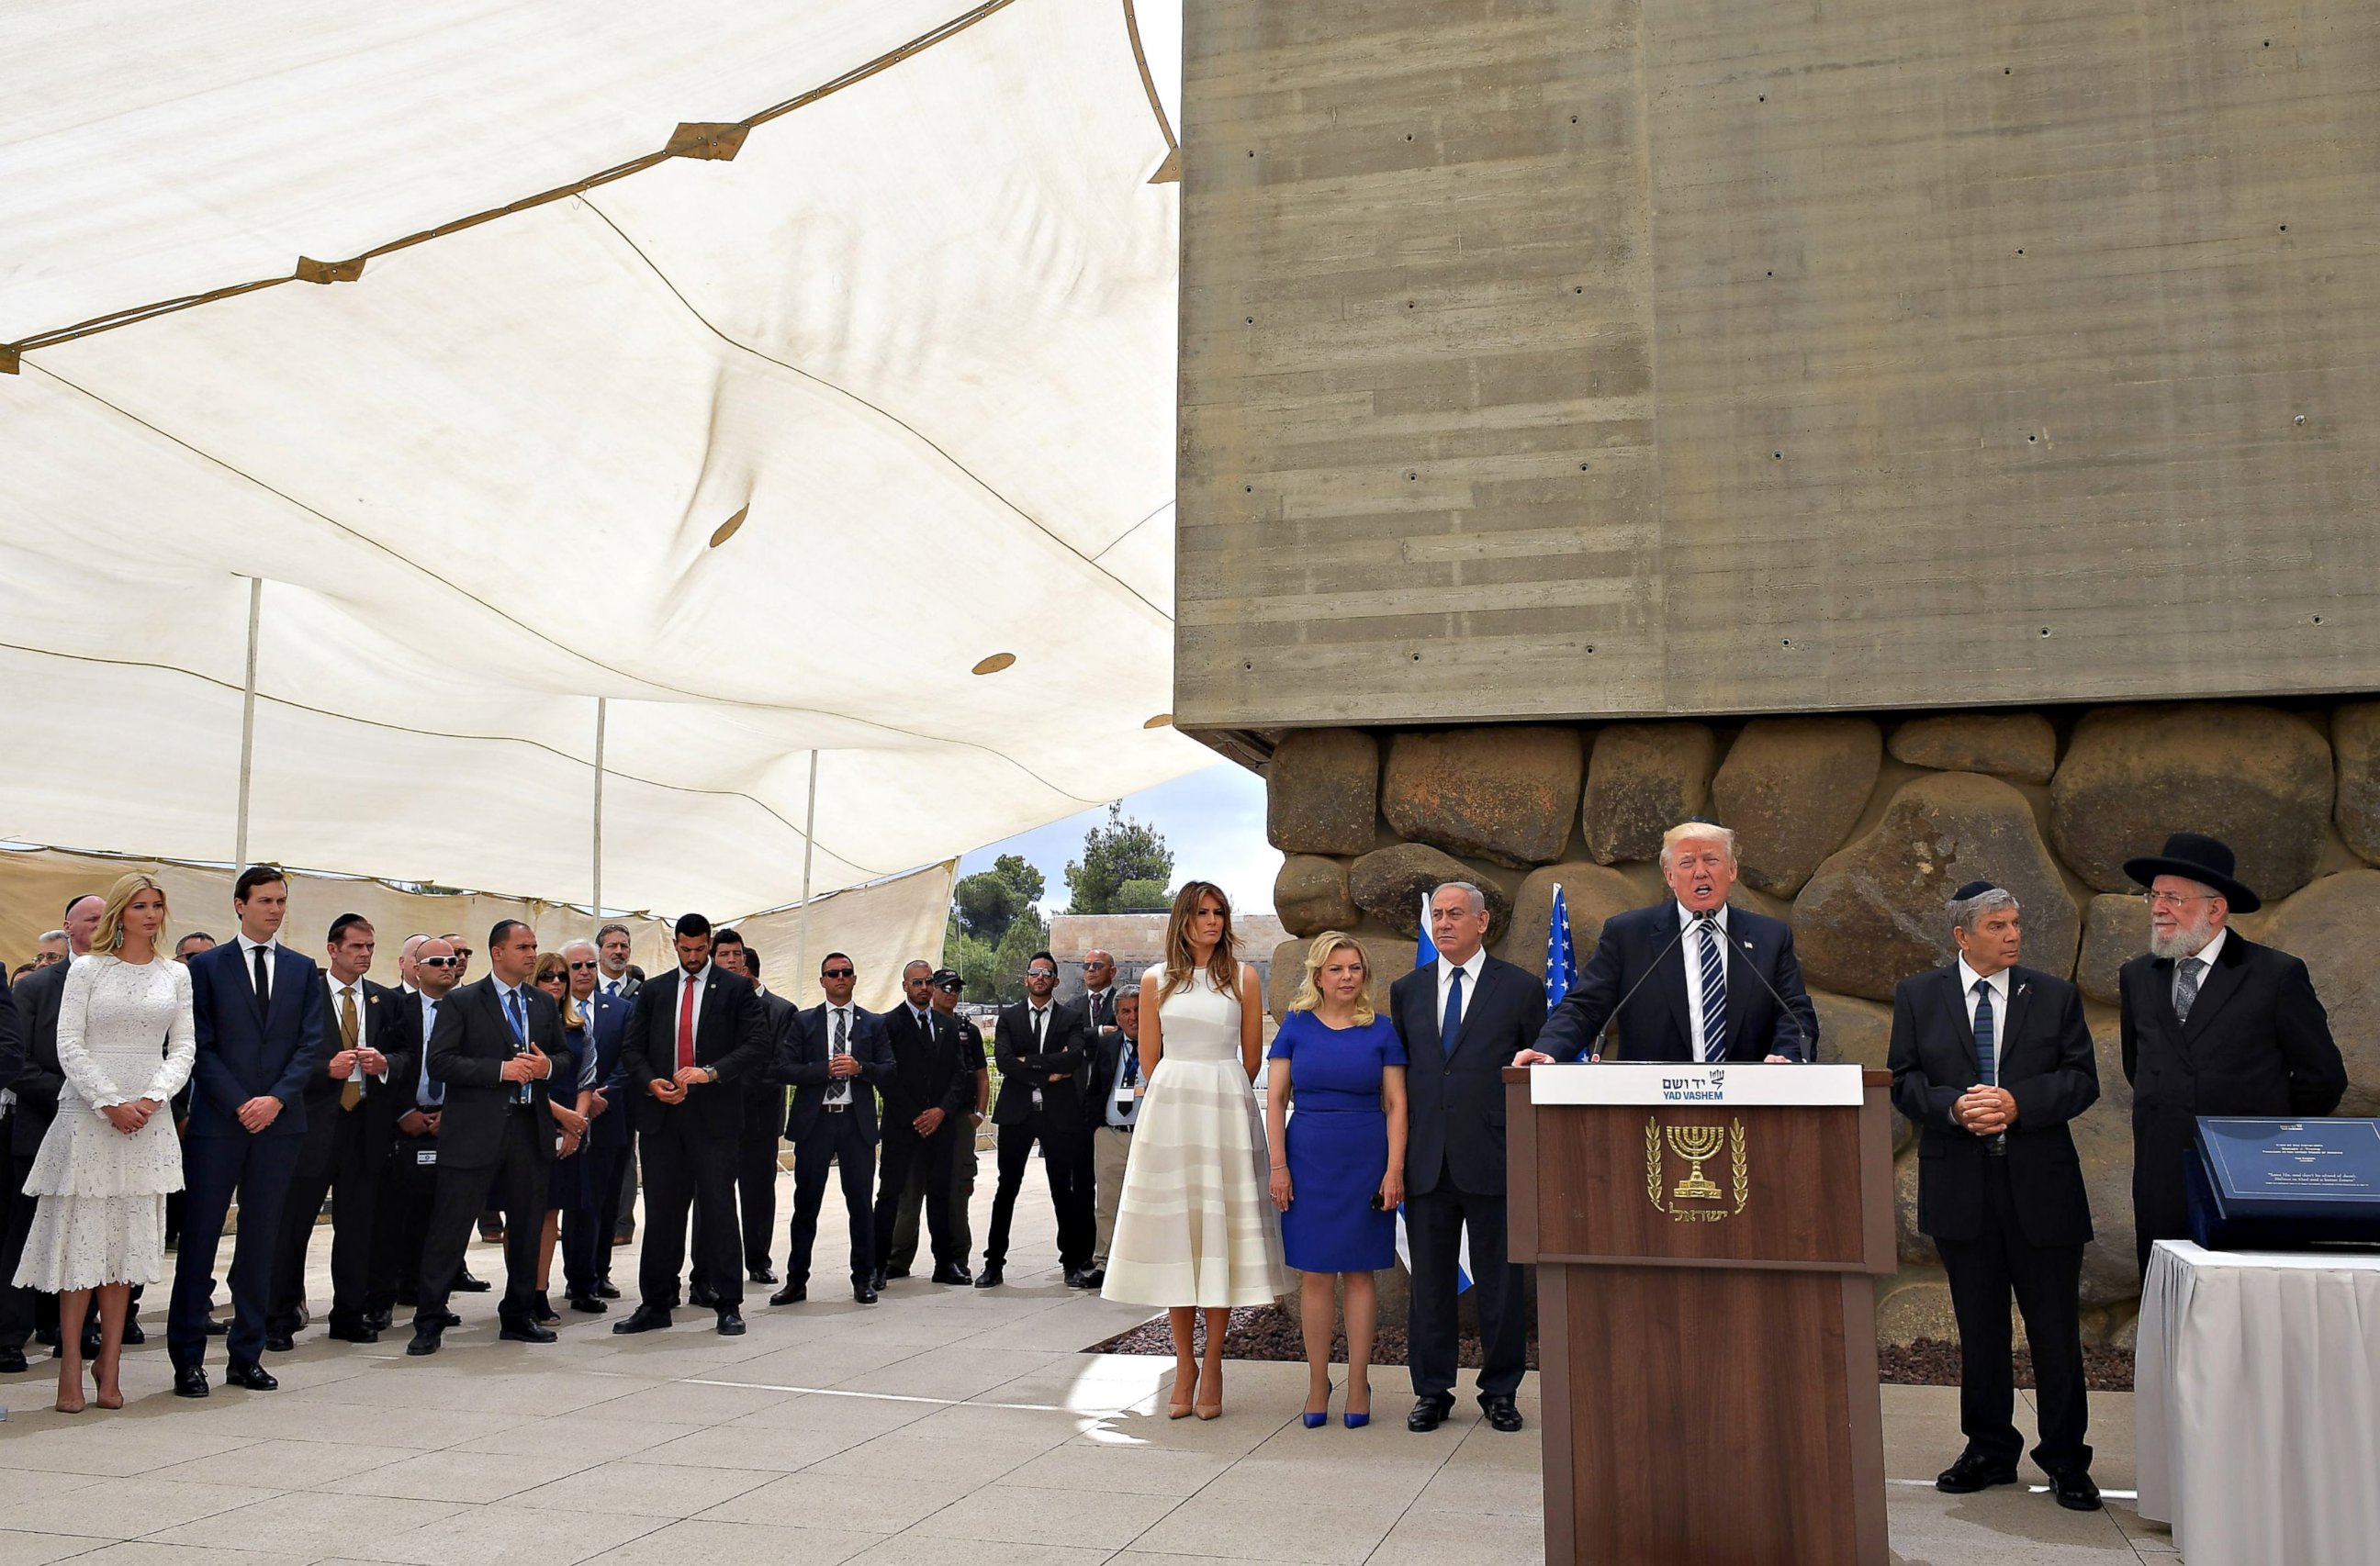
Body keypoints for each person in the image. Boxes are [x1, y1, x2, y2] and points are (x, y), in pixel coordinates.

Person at [1888, 882, 2103, 1511]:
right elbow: (1903, 1081)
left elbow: (2080, 1080)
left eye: (2015, 924)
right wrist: (1953, 1106)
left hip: (2043, 1190)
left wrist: (2018, 1103)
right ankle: (1987, 1450)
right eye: (1998, 926)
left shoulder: (2055, 996)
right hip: (1962, 1189)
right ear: (1962, 936)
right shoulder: (1918, 996)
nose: (2013, 935)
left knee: (2055, 1332)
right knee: (1980, 1331)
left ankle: (2066, 1460)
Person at [2118, 833, 2346, 1274]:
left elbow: (2324, 1079)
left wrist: (2264, 1127)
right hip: (2161, 1173)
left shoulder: (2275, 974)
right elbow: (2139, 1066)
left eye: (2172, 898)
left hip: (2250, 1175)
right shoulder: (2137, 976)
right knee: (2171, 1300)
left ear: (2215, 908)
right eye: (2154, 895)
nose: (2157, 908)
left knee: (2247, 1305)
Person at [11, 874, 196, 1412]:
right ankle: (70, 1363)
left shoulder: (176, 974)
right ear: (121, 911)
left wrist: (155, 1097)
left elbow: (183, 1046)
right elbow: (67, 1043)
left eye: (157, 906)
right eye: (139, 905)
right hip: (88, 1115)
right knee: (81, 1250)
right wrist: (108, 1100)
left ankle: (109, 1363)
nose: (150, 914)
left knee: (126, 1248)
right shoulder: (87, 969)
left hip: (148, 1117)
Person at [1102, 882, 1286, 1420]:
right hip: (1171, 1113)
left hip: (1225, 1109)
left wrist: (1218, 1092)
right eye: (1202, 912)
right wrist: (1180, 1100)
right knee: (1180, 1238)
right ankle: (1184, 1364)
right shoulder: (1157, 980)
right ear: (1183, 919)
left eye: (1219, 912)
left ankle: (1214, 1360)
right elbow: (1152, 1059)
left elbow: (1251, 1058)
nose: (1212, 921)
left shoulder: (1244, 978)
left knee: (1219, 1235)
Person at [169, 866, 327, 1397]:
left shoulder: (305, 970)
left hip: (280, 1125)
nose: (276, 909)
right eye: (265, 900)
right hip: (220, 1123)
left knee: (262, 1242)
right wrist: (242, 1103)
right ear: (240, 905)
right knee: (201, 1241)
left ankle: (247, 1354)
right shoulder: (207, 968)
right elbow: (198, 1047)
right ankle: (188, 1359)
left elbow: (311, 1045)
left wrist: (276, 1099)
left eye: (282, 900)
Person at [1395, 881, 1544, 1435]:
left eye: (1456, 914)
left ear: (1482, 923)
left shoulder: (1521, 988)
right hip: (1427, 1159)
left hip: (1495, 1157)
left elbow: (1534, 1071)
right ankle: (1431, 1391)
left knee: (1500, 1285)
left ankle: (1500, 1391)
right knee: (1429, 1286)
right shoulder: (1406, 990)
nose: (1444, 924)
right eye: (1437, 915)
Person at [1522, 822, 1817, 1066]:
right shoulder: (1629, 935)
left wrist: (1787, 1056)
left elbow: (1795, 1013)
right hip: (1652, 1108)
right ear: (1670, 876)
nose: (1700, 872)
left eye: (1711, 860)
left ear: (1732, 870)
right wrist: (1548, 1050)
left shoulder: (1770, 937)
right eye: (1687, 863)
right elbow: (1585, 1007)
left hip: (1747, 1107)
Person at [1267, 932, 1409, 1430]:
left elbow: (1396, 1104)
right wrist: (1278, 1166)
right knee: (1316, 1273)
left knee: (1360, 1273)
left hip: (1366, 1160)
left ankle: (1358, 1380)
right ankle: (1316, 1382)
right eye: (1336, 969)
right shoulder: (1295, 1027)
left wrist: (1394, 1169)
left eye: (1354, 968)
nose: (1347, 977)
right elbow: (1276, 1101)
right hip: (1308, 1159)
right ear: (1318, 976)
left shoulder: (1382, 1029)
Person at [405, 920, 561, 1355]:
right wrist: (499, 1070)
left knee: (528, 1226)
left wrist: (547, 1067)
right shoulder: (463, 1001)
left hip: (529, 1128)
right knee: (450, 1227)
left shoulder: (542, 1004)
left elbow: (567, 1056)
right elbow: (441, 1062)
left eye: (534, 946)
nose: (532, 954)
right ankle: (429, 1319)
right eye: (523, 947)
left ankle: (518, 1314)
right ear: (497, 953)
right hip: (475, 1130)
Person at [612, 912, 770, 1337]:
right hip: (663, 1120)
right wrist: (651, 1082)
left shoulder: (736, 989)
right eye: (686, 950)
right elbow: (632, 1049)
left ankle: (727, 1303)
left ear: (709, 945)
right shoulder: (655, 990)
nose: (694, 957)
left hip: (714, 1121)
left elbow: (757, 1045)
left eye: (701, 950)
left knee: (719, 1210)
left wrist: (711, 1072)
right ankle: (655, 1303)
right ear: (676, 946)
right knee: (662, 1213)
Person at [267, 914, 399, 1349]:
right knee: (294, 1224)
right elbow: (284, 1055)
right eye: (356, 947)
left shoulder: (383, 1000)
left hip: (363, 1124)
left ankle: (349, 1312)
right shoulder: (306, 995)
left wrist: (385, 1066)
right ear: (333, 949)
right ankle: (281, 1314)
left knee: (357, 1224)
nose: (363, 955)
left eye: (369, 947)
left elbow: (406, 1053)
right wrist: (325, 1069)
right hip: (312, 1124)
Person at [2, 894, 106, 1371]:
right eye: (90, 918)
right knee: (25, 1233)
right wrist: (75, 1093)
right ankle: (9, 1334)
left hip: (108, 1131)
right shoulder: (38, 987)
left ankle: (76, 1329)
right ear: (68, 926)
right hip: (43, 1126)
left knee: (86, 1235)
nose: (100, 924)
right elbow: (14, 1062)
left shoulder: (124, 982)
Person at [772, 953, 893, 1304]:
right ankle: (796, 1280)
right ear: (822, 980)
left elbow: (889, 1069)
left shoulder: (873, 1023)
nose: (840, 978)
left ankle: (863, 1278)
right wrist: (824, 1070)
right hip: (816, 1121)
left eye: (846, 973)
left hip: (856, 1123)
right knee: (806, 1204)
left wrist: (860, 1068)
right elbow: (784, 1069)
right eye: (832, 973)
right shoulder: (803, 1021)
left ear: (855, 979)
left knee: (860, 1204)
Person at [981, 953, 1096, 1288]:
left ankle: (1072, 1263)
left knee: (1063, 1189)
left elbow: (1074, 1057)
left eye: (1047, 973)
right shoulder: (1009, 1018)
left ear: (1056, 981)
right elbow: (1004, 1061)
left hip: (1058, 1116)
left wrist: (1027, 1065)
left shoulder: (1071, 1018)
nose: (1040, 977)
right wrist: (1048, 1073)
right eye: (1034, 972)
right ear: (1026, 980)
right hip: (1018, 1115)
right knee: (1007, 1189)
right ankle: (994, 1263)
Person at [364, 935, 461, 1330]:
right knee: (390, 1218)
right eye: (436, 961)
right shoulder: (395, 1008)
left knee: (438, 1219)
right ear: (415, 969)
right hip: (402, 1124)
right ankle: (380, 1299)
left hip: (450, 1122)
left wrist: (450, 1114)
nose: (446, 967)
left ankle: (428, 1296)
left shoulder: (469, 1009)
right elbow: (387, 1061)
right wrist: (403, 1111)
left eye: (452, 960)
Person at [874, 960, 975, 1289]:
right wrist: (916, 1115)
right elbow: (886, 1076)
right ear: (905, 986)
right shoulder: (888, 1024)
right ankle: (878, 1266)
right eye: (917, 982)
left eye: (928, 982)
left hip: (940, 1126)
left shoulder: (946, 1027)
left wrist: (940, 1111)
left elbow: (958, 1075)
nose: (924, 988)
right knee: (891, 1196)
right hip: (902, 1126)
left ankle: (946, 1264)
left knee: (942, 1196)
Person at [701, 929, 784, 1294]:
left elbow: (775, 1064)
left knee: (757, 1191)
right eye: (723, 956)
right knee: (712, 1195)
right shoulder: (703, 1003)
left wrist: (724, 1081)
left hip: (758, 1116)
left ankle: (759, 1260)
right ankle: (704, 1271)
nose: (731, 961)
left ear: (746, 961)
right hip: (713, 1118)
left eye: (736, 955)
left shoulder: (781, 1010)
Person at [558, 939, 631, 1314]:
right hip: (566, 1119)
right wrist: (578, 1102)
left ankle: (599, 1271)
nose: (584, 972)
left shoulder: (620, 1009)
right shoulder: (552, 1009)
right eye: (576, 966)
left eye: (589, 965)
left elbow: (630, 1057)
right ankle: (577, 1277)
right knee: (576, 1202)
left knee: (604, 1201)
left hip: (609, 1118)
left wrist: (605, 1093)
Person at [527, 952, 590, 1325]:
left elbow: (587, 1078)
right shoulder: (521, 1023)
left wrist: (576, 1124)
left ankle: (539, 1291)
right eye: (547, 976)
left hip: (569, 1130)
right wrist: (562, 1117)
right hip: (531, 1123)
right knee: (524, 1214)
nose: (556, 982)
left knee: (552, 1212)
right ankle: (519, 1291)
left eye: (561, 977)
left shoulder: (579, 1027)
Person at [1081, 987, 1147, 1287]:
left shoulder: (1161, 1046)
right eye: (1126, 1012)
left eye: (1138, 1010)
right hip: (1111, 1134)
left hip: (1148, 1137)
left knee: (1148, 1202)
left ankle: (1145, 1264)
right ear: (1117, 1017)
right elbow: (1095, 1087)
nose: (1133, 1017)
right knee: (1107, 1202)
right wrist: (1095, 1127)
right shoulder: (1108, 1044)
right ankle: (1104, 1264)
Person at [595, 923, 641, 1264]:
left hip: (623, 1101)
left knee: (617, 1177)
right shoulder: (578, 987)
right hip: (577, 1104)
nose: (618, 951)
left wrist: (609, 1089)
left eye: (624, 946)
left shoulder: (643, 993)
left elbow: (637, 1050)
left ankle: (604, 1265)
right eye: (612, 945)